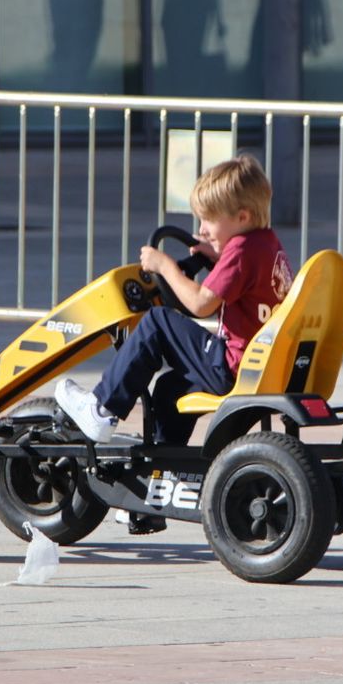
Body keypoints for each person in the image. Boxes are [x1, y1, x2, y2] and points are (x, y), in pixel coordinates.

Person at [56, 153, 294, 461]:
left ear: (242, 217)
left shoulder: (240, 251)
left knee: (157, 322)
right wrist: (213, 258)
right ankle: (163, 471)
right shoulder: (265, 243)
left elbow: (200, 303)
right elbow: (240, 282)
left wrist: (165, 266)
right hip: (259, 365)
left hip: (233, 366)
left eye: (209, 219)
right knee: (171, 387)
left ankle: (102, 408)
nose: (203, 228)